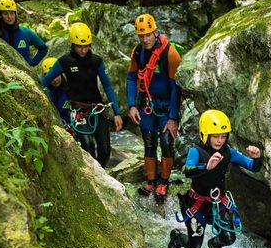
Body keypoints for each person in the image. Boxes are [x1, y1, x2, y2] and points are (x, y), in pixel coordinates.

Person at [168, 110, 262, 248]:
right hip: (197, 203)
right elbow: (187, 170)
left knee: (229, 237)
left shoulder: (228, 152)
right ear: (205, 134)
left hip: (219, 202)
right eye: (215, 136)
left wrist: (257, 157)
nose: (219, 140)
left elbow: (252, 166)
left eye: (223, 136)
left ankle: (215, 245)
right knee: (194, 246)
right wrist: (207, 166)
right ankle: (177, 237)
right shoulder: (196, 151)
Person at [41, 22, 123, 167]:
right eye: (79, 46)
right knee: (88, 146)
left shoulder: (96, 61)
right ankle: (94, 176)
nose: (83, 50)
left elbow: (108, 87)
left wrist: (117, 112)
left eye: (86, 46)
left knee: (105, 149)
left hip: (97, 109)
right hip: (78, 110)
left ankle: (100, 172)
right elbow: (46, 80)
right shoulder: (64, 62)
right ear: (72, 44)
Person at [126, 13, 181, 200]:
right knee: (149, 142)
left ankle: (164, 182)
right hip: (147, 105)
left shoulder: (170, 54)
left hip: (166, 106)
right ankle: (151, 181)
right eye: (141, 36)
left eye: (148, 35)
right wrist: (132, 105)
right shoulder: (138, 52)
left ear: (155, 32)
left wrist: (173, 118)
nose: (144, 39)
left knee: (166, 143)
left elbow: (176, 87)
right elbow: (132, 78)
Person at [0, 0, 47, 67]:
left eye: (12, 13)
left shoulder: (26, 32)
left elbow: (43, 48)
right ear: (0, 16)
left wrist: (32, 63)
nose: (9, 17)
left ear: (15, 14)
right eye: (5, 14)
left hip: (25, 74)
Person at [40, 57, 71, 126]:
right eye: (51, 77)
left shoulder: (71, 88)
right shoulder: (45, 91)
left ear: (61, 74)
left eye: (56, 76)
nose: (54, 80)